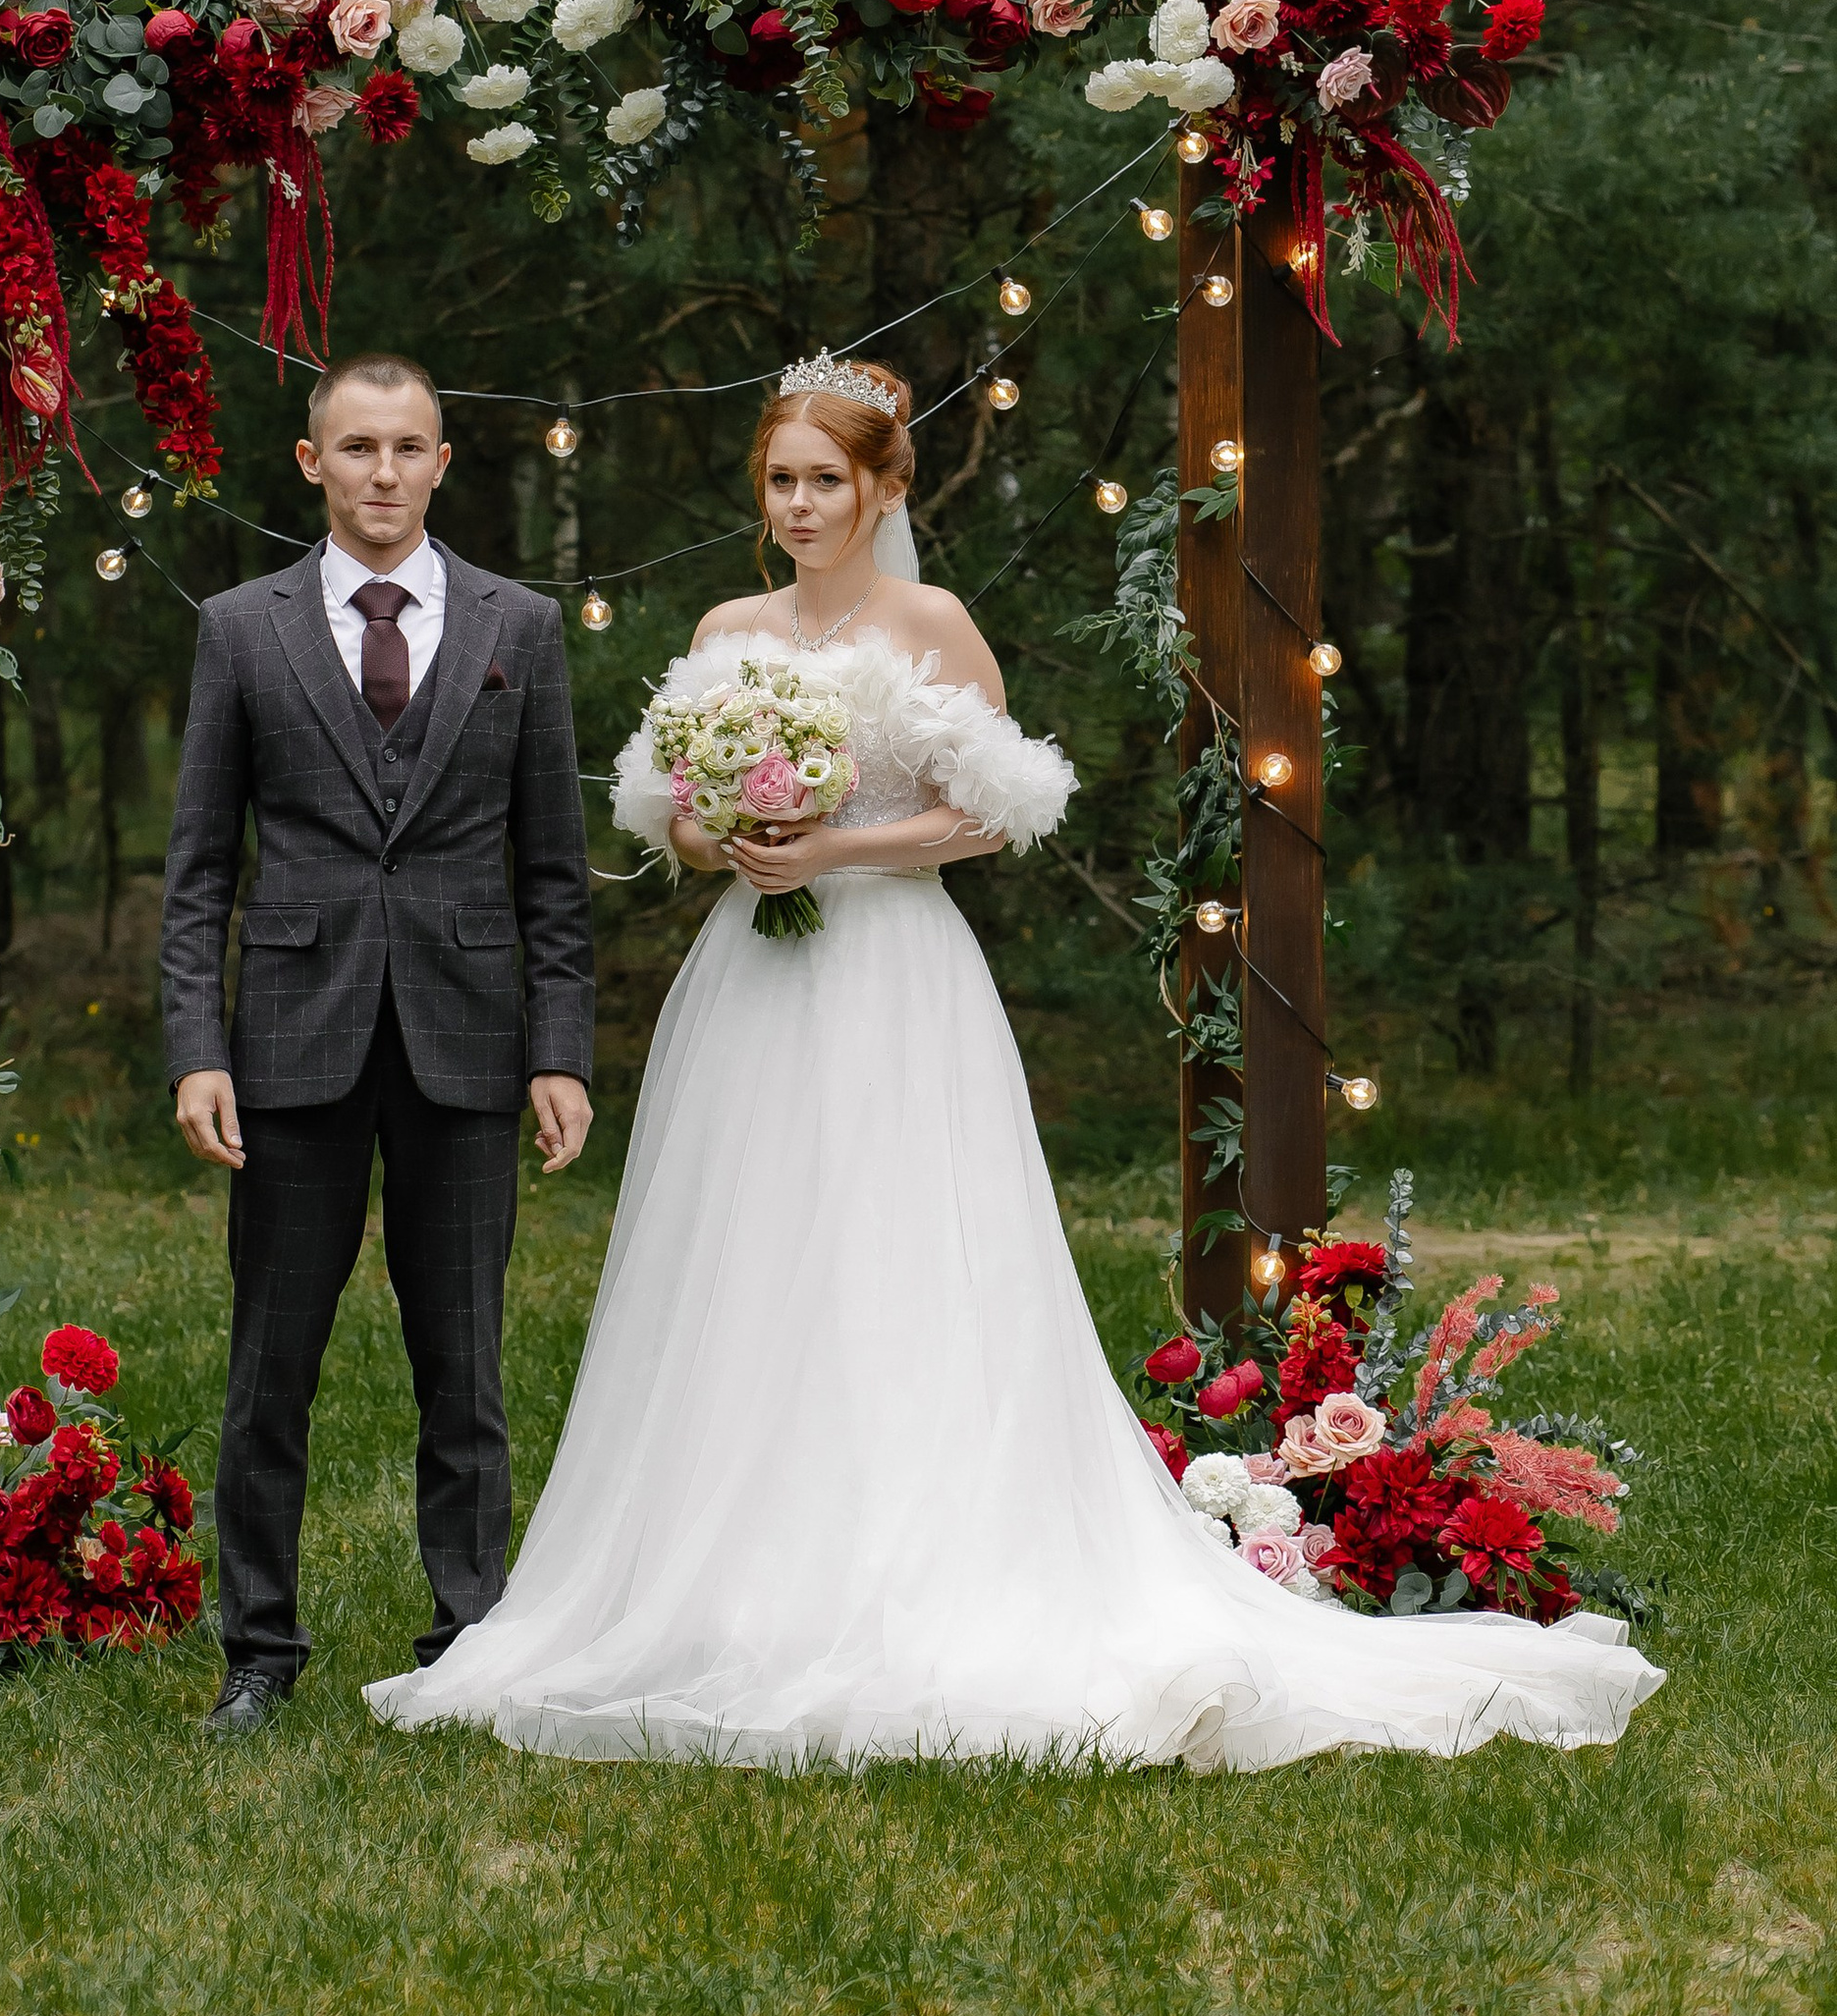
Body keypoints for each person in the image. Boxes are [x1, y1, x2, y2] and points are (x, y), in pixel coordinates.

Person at [365, 354, 1663, 1772]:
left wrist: (836, 844)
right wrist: (723, 832)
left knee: (898, 1255)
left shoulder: (933, 623)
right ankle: (730, 1577)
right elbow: (670, 808)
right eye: (781, 480)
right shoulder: (730, 623)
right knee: (743, 1259)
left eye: (826, 480)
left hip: (893, 980)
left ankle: (921, 1564)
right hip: (749, 984)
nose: (799, 505)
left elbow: (994, 811)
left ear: (883, 484)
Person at [162, 353, 596, 1737]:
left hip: (468, 1042)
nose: (385, 472)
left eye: (410, 446)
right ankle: (259, 1648)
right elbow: (197, 869)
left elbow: (554, 872)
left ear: (445, 460)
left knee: (464, 1361)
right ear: (312, 463)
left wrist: (562, 1049)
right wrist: (196, 1046)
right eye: (358, 447)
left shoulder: (518, 627)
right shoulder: (243, 629)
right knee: (270, 1363)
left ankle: (469, 1632)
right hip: (291, 1039)